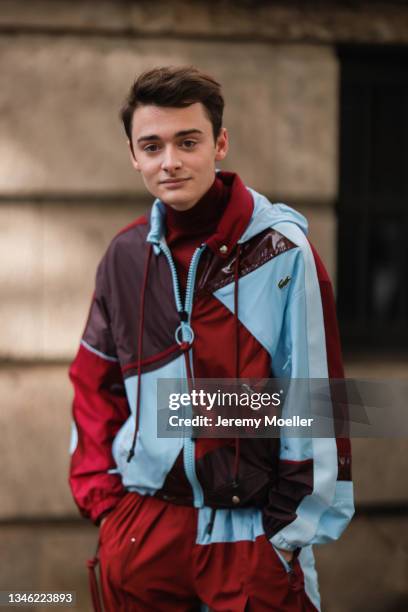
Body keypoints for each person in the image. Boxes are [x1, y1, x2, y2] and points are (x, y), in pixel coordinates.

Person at [69, 65, 354, 611]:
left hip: (251, 532)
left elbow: (317, 399)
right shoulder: (124, 257)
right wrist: (107, 508)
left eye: (188, 141)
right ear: (133, 155)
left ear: (220, 144)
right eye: (151, 146)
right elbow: (93, 385)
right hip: (142, 527)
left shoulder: (282, 253)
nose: (169, 161)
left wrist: (284, 540)